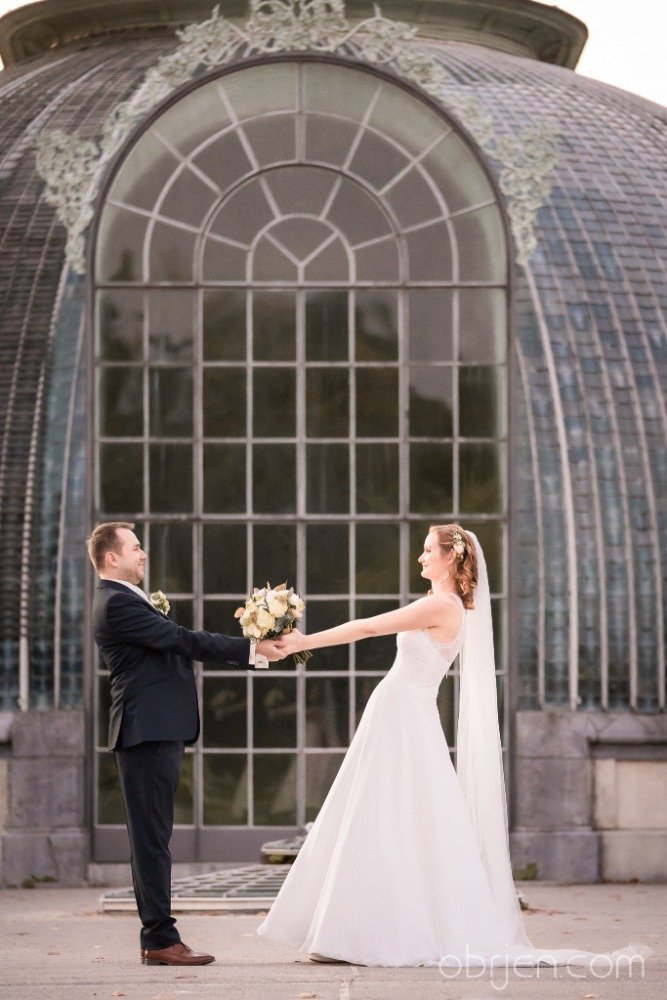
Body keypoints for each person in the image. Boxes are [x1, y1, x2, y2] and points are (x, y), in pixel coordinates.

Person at [258, 524, 650, 972]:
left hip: (404, 717)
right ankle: (349, 929)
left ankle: (363, 932)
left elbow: (368, 627)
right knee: (381, 813)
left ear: (451, 557)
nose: (421, 557)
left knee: (385, 812)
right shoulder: (447, 605)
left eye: (428, 550)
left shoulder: (442, 605)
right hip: (401, 715)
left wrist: (304, 641)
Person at [89, 521, 283, 967]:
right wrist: (252, 649)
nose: (143, 554)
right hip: (146, 732)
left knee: (153, 838)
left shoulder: (125, 599)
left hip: (154, 731)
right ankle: (160, 938)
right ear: (111, 557)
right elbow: (182, 640)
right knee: (151, 840)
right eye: (135, 548)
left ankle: (158, 937)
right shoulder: (117, 602)